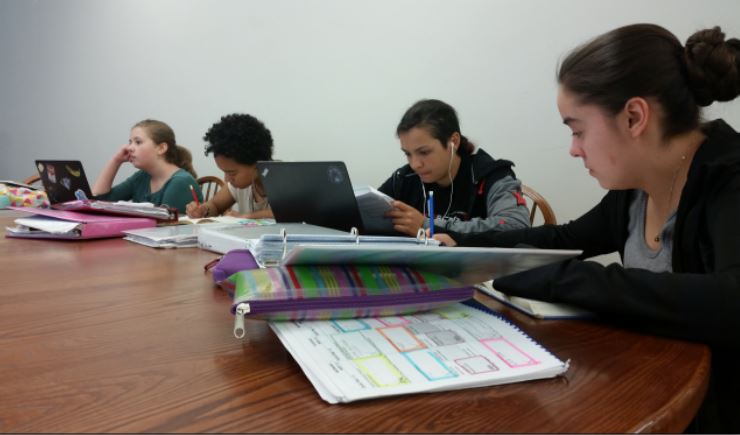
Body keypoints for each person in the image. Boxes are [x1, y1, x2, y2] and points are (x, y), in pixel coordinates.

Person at [435, 24, 740, 433]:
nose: (574, 148)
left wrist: (565, 279)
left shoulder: (729, 177)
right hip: (654, 385)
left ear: (634, 117)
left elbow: (731, 302)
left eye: (578, 130)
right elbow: (567, 238)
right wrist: (466, 245)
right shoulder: (637, 188)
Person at [378, 99, 531, 237]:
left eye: (424, 152)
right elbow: (363, 214)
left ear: (454, 141)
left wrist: (427, 225)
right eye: (408, 154)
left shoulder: (491, 175)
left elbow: (515, 226)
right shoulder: (404, 178)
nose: (415, 164)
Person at [92, 119, 202, 214]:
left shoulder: (180, 182)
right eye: (130, 142)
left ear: (161, 148)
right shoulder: (142, 176)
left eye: (138, 142)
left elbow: (165, 227)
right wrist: (115, 161)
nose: (129, 148)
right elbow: (98, 201)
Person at [185, 113, 274, 219]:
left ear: (256, 163)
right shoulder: (239, 185)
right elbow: (215, 205)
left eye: (232, 173)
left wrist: (246, 216)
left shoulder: (284, 179)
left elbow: (294, 213)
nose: (226, 179)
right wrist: (204, 210)